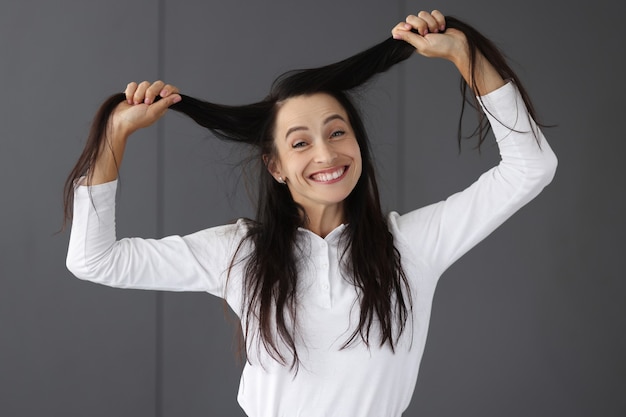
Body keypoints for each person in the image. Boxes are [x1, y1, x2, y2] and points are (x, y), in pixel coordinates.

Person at [64, 10, 557, 417]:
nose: (326, 154)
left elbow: (530, 167)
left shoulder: (413, 245)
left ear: (358, 144)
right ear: (276, 166)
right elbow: (94, 260)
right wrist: (114, 138)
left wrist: (465, 55)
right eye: (300, 142)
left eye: (337, 132)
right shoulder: (238, 253)